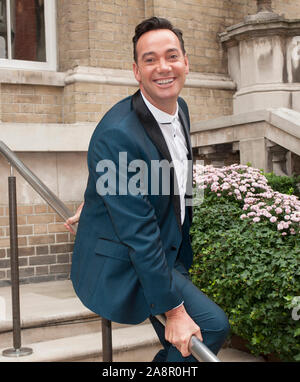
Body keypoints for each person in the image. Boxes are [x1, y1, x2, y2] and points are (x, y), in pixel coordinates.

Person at [65, 17, 229, 362]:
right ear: (136, 71)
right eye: (150, 59)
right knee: (211, 327)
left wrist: (97, 199)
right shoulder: (118, 133)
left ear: (186, 62)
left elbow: (162, 178)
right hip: (130, 259)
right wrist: (174, 311)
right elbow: (137, 233)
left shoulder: (179, 108)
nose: (163, 67)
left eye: (171, 56)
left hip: (167, 248)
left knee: (184, 345)